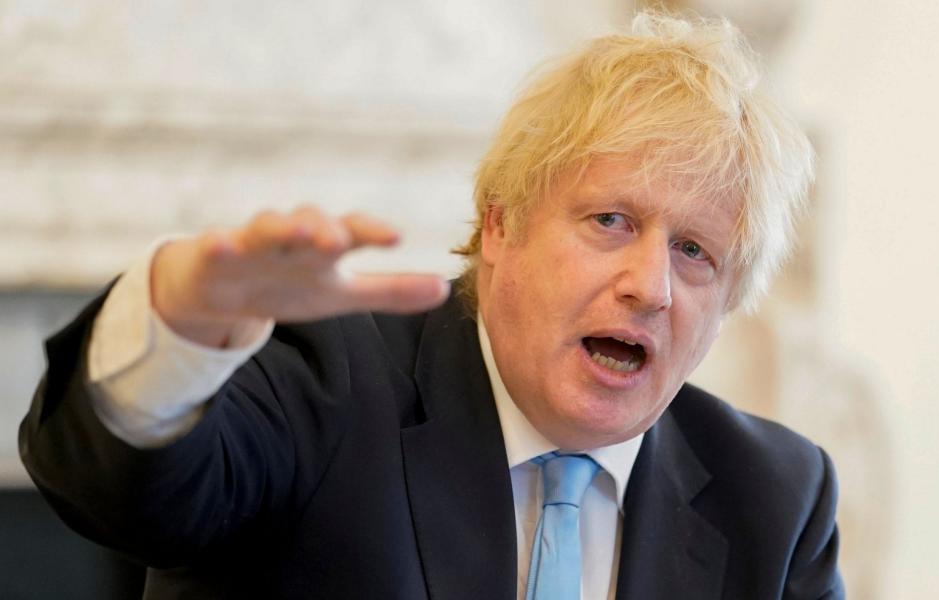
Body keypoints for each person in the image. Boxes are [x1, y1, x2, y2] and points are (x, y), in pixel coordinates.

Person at [20, 10, 843, 600]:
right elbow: (115, 489)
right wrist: (180, 334)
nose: (650, 286)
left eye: (694, 252)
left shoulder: (776, 495)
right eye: (610, 221)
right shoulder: (328, 385)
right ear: (500, 224)